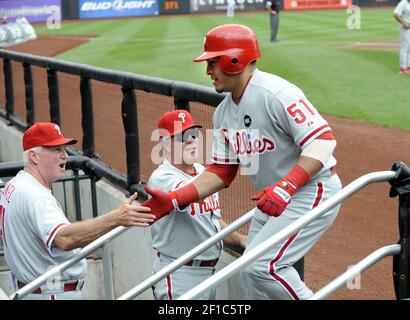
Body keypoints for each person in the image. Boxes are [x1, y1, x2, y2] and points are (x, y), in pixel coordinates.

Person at [142, 24, 342, 300]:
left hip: (311, 188)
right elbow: (222, 171)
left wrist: (287, 186)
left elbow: (323, 141)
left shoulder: (275, 93)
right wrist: (176, 198)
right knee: (251, 270)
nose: (208, 71)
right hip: (274, 196)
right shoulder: (223, 113)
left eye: (213, 62)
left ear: (233, 60)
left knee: (265, 266)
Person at [0, 122, 155, 300]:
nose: (65, 155)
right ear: (34, 156)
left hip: (30, 289)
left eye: (64, 149)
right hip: (51, 292)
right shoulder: (37, 197)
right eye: (56, 149)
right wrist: (117, 218)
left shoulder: (13, 186)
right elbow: (64, 238)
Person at [147, 110, 247, 300]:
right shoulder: (162, 178)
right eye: (183, 136)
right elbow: (191, 196)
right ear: (166, 144)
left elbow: (211, 221)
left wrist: (240, 239)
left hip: (208, 274)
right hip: (178, 274)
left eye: (193, 135)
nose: (191, 140)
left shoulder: (202, 172)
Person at [393, 0, 410, 74]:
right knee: (405, 47)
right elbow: (396, 14)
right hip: (406, 29)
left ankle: (408, 66)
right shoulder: (403, 3)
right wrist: (404, 23)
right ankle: (403, 68)